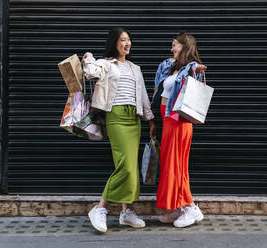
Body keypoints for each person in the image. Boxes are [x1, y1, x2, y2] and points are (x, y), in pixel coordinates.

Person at [82, 27, 156, 233]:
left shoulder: (135, 68)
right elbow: (89, 73)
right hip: (116, 117)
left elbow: (143, 97)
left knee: (131, 167)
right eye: (123, 40)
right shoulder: (106, 64)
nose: (127, 43)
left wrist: (150, 121)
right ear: (115, 43)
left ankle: (127, 212)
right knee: (126, 167)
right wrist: (89, 57)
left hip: (135, 120)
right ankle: (99, 208)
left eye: (129, 39)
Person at [151, 32, 207, 228]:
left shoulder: (191, 68)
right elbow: (159, 89)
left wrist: (194, 66)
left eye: (175, 45)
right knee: (171, 165)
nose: (172, 48)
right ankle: (177, 207)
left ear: (184, 47)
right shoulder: (171, 67)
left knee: (177, 166)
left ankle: (190, 207)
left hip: (178, 122)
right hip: (167, 121)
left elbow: (197, 70)